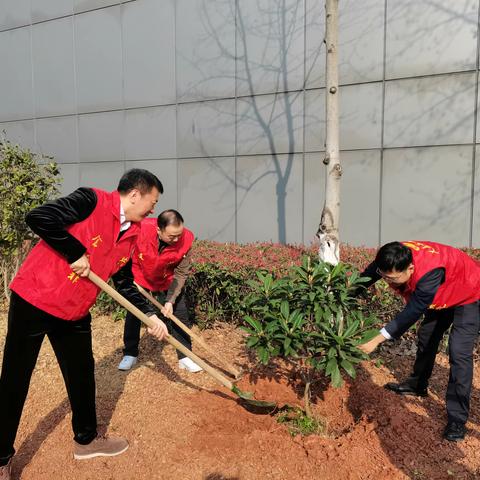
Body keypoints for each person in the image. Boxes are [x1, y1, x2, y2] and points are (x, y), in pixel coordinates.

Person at [0, 169, 170, 480]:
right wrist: (74, 250)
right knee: (15, 379)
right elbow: (38, 217)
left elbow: (124, 282)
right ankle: (1, 457)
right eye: (152, 201)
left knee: (81, 375)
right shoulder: (90, 200)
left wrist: (151, 316)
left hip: (75, 310)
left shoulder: (131, 232)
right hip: (36, 297)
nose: (153, 209)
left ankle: (87, 440)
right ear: (135, 195)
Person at [357, 240, 480, 442]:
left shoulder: (428, 275)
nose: (389, 283)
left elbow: (412, 312)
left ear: (411, 268)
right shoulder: (391, 256)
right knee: (427, 336)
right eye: (385, 276)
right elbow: (369, 275)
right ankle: (417, 385)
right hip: (443, 289)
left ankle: (457, 419)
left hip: (469, 290)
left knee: (459, 352)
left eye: (393, 279)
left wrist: (376, 340)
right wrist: (345, 294)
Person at [117, 209, 202, 373]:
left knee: (180, 313)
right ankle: (130, 353)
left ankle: (185, 356)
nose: (176, 239)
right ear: (158, 230)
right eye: (171, 236)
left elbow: (182, 273)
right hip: (140, 275)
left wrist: (170, 300)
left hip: (166, 278)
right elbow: (123, 249)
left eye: (179, 234)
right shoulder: (140, 229)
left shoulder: (186, 240)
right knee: (134, 312)